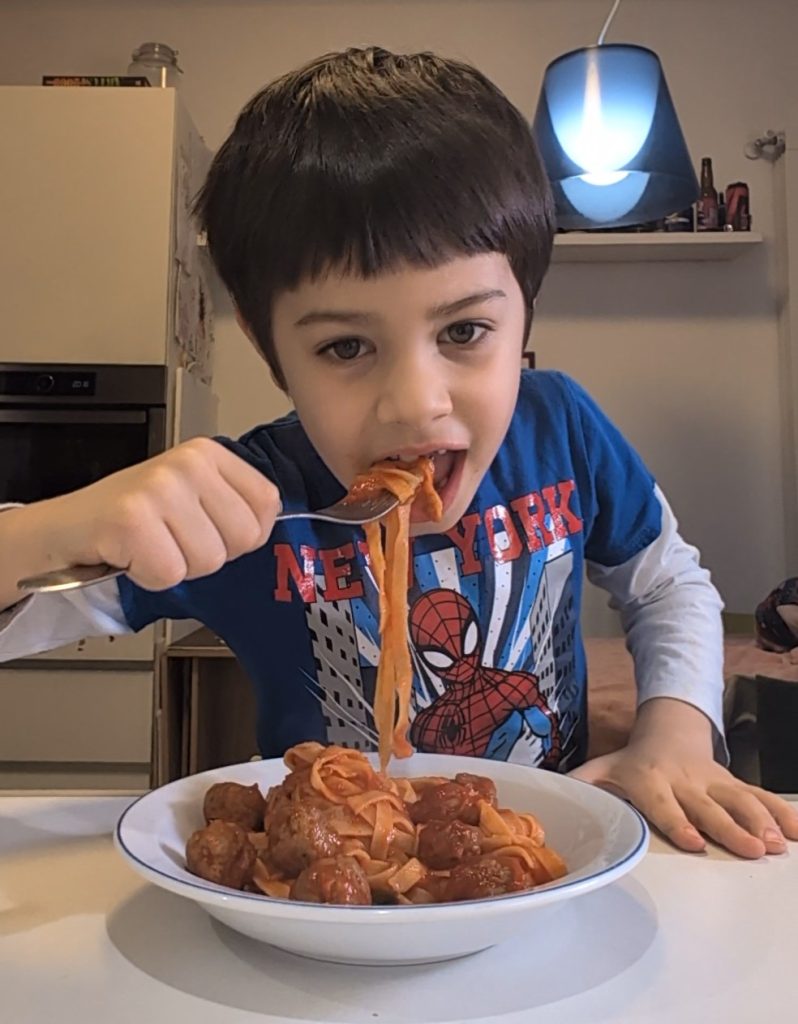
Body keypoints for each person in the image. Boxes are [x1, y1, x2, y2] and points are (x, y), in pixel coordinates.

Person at [1, 46, 795, 860]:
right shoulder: (247, 502)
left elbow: (666, 583)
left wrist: (675, 731)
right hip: (326, 893)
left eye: (464, 331)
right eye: (345, 346)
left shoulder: (562, 429)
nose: (417, 402)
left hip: (537, 868)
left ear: (526, 308)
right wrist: (53, 529)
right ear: (266, 343)